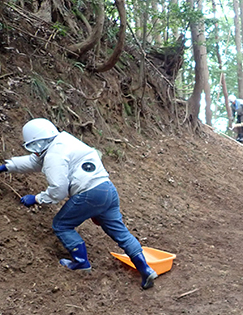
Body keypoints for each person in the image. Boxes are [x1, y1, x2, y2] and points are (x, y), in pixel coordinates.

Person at [0, 118, 158, 289]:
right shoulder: (64, 141)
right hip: (107, 190)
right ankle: (146, 269)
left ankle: (81, 263)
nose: (35, 151)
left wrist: (37, 198)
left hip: (88, 193)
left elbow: (58, 189)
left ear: (38, 142)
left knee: (61, 225)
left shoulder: (54, 154)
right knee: (121, 233)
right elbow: (34, 161)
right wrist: (7, 166)